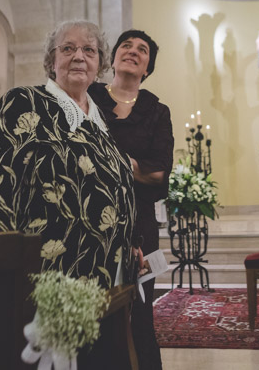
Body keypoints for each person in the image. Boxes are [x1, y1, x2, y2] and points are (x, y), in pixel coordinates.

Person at [0, 20, 136, 290]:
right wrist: (0, 272)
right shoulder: (24, 102)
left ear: (100, 64)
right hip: (48, 276)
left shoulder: (101, 121)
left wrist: (129, 242)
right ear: (52, 61)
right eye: (68, 48)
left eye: (89, 50)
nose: (79, 56)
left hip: (110, 273)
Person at [88, 29, 173, 370]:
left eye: (142, 50)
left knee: (139, 315)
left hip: (140, 224)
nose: (133, 52)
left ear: (147, 68)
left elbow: (160, 173)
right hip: (89, 218)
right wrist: (134, 166)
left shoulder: (156, 110)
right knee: (94, 311)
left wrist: (110, 162)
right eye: (126, 45)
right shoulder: (89, 96)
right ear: (113, 57)